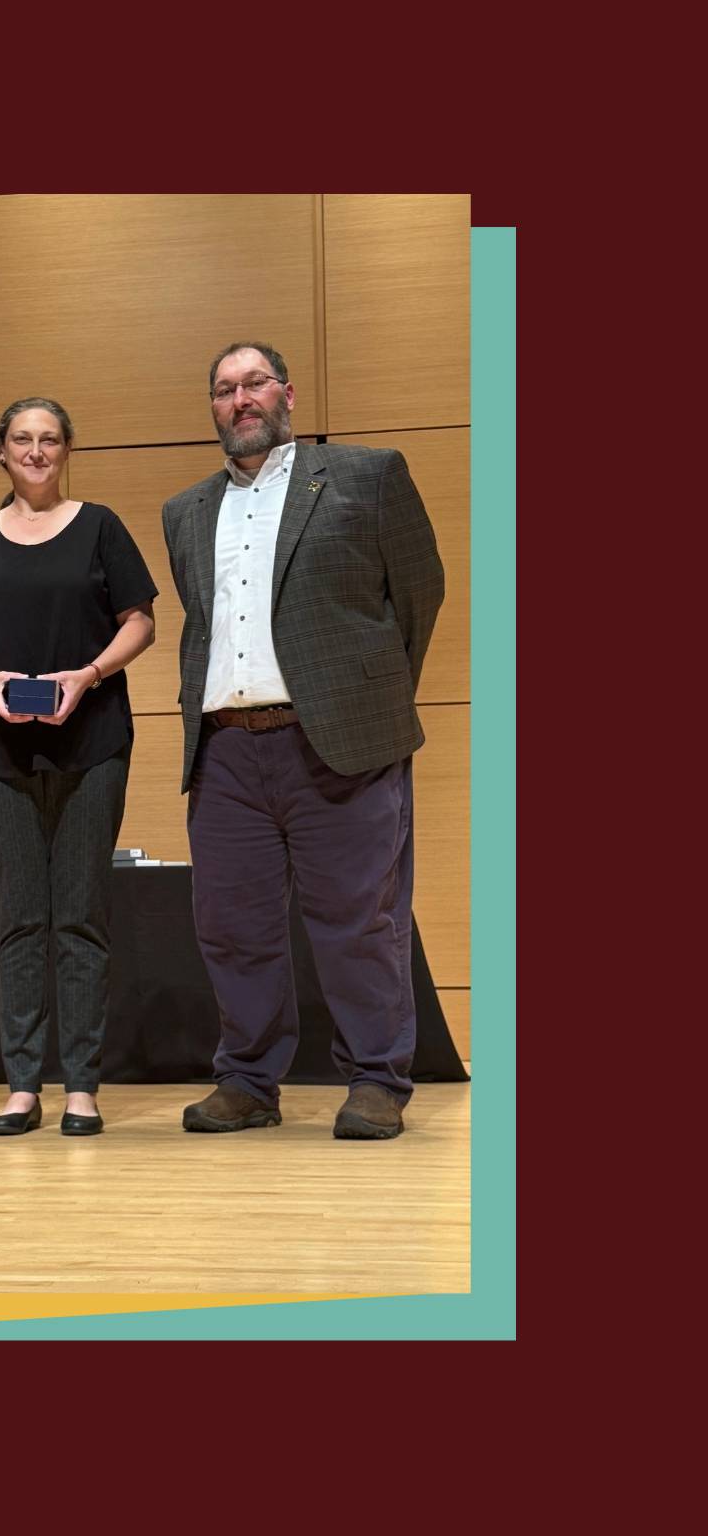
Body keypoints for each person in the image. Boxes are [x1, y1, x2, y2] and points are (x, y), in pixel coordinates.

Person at [162, 342, 444, 1140]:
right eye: (224, 389)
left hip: (339, 746)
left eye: (254, 383)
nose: (240, 398)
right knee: (232, 924)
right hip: (225, 753)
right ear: (213, 406)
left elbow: (419, 594)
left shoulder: (367, 474)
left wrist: (365, 700)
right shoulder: (185, 511)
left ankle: (377, 1080)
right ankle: (248, 1081)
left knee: (359, 920)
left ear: (287, 392)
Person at [0, 397, 157, 1136]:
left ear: (66, 450)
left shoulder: (101, 527)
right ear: (0, 450)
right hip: (0, 753)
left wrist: (88, 674)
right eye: (22, 439)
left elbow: (141, 621)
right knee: (20, 919)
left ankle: (83, 1087)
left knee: (82, 916)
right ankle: (23, 1084)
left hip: (92, 748)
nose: (35, 451)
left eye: (49, 439)